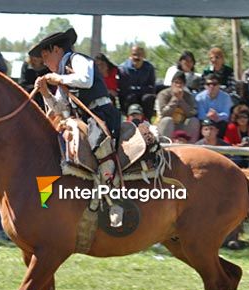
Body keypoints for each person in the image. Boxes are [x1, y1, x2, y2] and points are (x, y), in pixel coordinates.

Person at [29, 27, 122, 227]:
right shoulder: (61, 75)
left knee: (99, 144)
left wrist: (57, 79)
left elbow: (85, 81)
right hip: (84, 119)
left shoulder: (78, 60)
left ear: (56, 49)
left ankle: (114, 200)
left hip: (101, 115)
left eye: (45, 56)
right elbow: (60, 108)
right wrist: (45, 92)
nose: (44, 62)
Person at [155, 71, 199, 142]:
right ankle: (164, 146)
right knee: (167, 120)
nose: (178, 85)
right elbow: (163, 114)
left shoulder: (188, 96)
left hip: (181, 125)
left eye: (181, 83)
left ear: (184, 85)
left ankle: (190, 146)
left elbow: (192, 113)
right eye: (176, 82)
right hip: (165, 125)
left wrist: (181, 100)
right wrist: (174, 100)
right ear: (172, 83)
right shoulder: (163, 94)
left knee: (194, 121)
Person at [118, 45, 156, 120]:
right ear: (130, 55)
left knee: (149, 98)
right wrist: (140, 89)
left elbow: (152, 87)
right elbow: (123, 88)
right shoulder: (123, 68)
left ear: (144, 56)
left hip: (143, 96)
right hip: (129, 97)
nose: (136, 57)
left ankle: (147, 121)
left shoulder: (149, 68)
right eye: (134, 54)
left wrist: (137, 89)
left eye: (139, 55)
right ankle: (130, 121)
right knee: (131, 97)